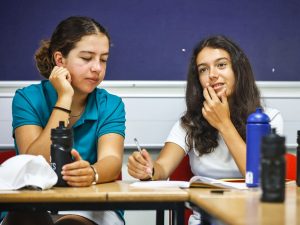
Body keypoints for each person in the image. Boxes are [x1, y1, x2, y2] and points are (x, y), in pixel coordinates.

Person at [127, 35, 283, 225]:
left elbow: (258, 177)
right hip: (205, 221)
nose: (212, 75)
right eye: (203, 69)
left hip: (253, 219)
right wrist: (147, 169)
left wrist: (224, 124)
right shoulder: (190, 123)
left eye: (221, 65)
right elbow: (161, 168)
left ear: (238, 70)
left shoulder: (268, 118)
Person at [3, 16, 126, 225]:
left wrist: (93, 172)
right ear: (60, 60)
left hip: (91, 206)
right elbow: (34, 162)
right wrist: (64, 98)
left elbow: (112, 161)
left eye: (103, 59)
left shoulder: (111, 104)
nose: (97, 68)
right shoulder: (27, 98)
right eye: (87, 58)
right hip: (34, 206)